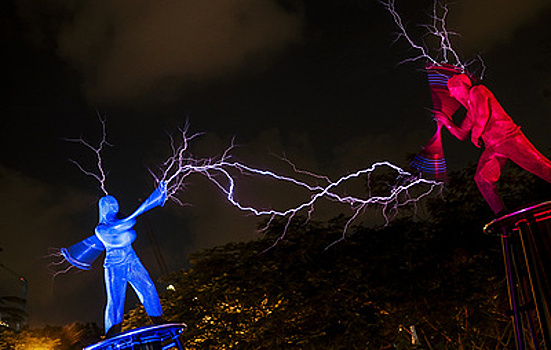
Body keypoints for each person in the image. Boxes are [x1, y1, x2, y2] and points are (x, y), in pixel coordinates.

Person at [435, 74, 551, 216]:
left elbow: (483, 116)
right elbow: (461, 134)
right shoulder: (471, 109)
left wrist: (476, 134)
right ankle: (501, 214)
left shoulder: (478, 91)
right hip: (494, 147)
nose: (452, 95)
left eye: (452, 89)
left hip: (508, 138)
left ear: (461, 86)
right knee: (482, 178)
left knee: (539, 165)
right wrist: (446, 121)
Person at [94, 181, 167, 336]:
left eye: (115, 204)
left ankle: (159, 320)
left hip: (132, 261)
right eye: (110, 205)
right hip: (114, 267)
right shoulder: (101, 229)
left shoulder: (123, 222)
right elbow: (122, 234)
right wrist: (131, 219)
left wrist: (129, 220)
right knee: (115, 301)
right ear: (104, 208)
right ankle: (112, 333)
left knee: (148, 288)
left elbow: (129, 229)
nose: (114, 207)